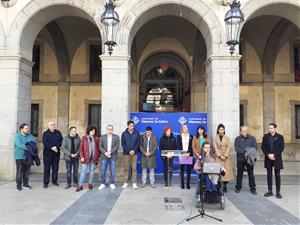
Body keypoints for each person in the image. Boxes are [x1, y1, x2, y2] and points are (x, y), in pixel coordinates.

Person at [261, 123, 284, 199]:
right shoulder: (265, 136)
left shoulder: (280, 137)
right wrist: (268, 155)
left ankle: (278, 192)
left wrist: (274, 155)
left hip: (277, 158)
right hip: (268, 159)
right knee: (269, 175)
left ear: (275, 128)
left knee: (277, 175)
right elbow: (263, 147)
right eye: (269, 128)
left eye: (271, 128)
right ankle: (270, 191)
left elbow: (281, 148)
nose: (270, 129)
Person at [234, 126, 258, 195]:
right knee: (239, 174)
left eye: (246, 131)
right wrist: (244, 153)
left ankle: (253, 188)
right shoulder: (237, 139)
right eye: (243, 131)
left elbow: (255, 147)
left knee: (251, 174)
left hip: (250, 159)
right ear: (240, 131)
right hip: (240, 159)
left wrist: (248, 153)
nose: (244, 132)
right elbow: (236, 148)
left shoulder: (252, 138)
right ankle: (238, 187)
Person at [76, 126, 100, 192]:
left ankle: (90, 184)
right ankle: (80, 185)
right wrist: (82, 157)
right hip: (85, 158)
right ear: (89, 131)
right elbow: (81, 148)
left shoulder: (96, 138)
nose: (93, 132)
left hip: (93, 158)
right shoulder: (84, 138)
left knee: (92, 172)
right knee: (83, 172)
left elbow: (98, 148)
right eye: (92, 131)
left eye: (94, 131)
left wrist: (98, 157)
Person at [13, 123, 36, 191]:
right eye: (26, 128)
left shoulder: (31, 136)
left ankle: (25, 184)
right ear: (21, 129)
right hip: (19, 156)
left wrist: (30, 147)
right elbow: (19, 144)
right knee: (20, 171)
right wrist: (29, 147)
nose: (27, 130)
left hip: (29, 156)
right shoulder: (17, 136)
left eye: (28, 128)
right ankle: (19, 186)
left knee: (27, 171)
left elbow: (33, 144)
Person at [98, 125, 120, 190]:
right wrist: (105, 153)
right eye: (108, 129)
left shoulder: (116, 137)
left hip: (113, 156)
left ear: (112, 130)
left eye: (111, 129)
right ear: (106, 130)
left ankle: (112, 183)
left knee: (112, 171)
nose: (110, 130)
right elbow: (100, 146)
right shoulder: (102, 137)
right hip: (104, 156)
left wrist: (110, 152)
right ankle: (103, 183)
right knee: (103, 170)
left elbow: (117, 146)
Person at [42, 121, 63, 188]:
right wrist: (52, 147)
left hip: (56, 153)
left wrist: (56, 147)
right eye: (51, 125)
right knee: (47, 168)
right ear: (48, 126)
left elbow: (61, 141)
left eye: (54, 124)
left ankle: (54, 181)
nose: (53, 126)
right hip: (47, 154)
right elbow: (45, 142)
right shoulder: (45, 133)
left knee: (55, 168)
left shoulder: (58, 132)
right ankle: (46, 183)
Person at [214, 124, 234, 192]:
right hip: (218, 157)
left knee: (225, 172)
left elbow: (229, 147)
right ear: (218, 130)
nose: (221, 131)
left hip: (226, 158)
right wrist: (219, 155)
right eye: (220, 129)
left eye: (222, 129)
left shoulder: (227, 138)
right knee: (218, 171)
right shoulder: (215, 138)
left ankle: (225, 186)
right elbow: (215, 147)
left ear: (224, 130)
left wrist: (225, 155)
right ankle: (219, 185)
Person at [121, 120, 140, 190]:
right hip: (126, 153)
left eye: (133, 125)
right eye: (130, 125)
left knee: (134, 168)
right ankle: (125, 182)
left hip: (134, 154)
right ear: (128, 126)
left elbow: (138, 143)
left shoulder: (137, 133)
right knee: (126, 168)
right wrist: (129, 151)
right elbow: (123, 143)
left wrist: (134, 150)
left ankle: (134, 182)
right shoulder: (124, 133)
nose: (132, 127)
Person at [177, 124, 193, 189]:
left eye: (186, 127)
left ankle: (188, 184)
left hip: (189, 155)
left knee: (189, 170)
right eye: (184, 128)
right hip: (182, 154)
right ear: (182, 129)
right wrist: (184, 153)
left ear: (187, 128)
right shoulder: (179, 136)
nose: (185, 129)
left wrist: (188, 153)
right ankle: (182, 184)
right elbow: (179, 146)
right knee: (182, 170)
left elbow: (191, 146)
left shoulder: (191, 136)